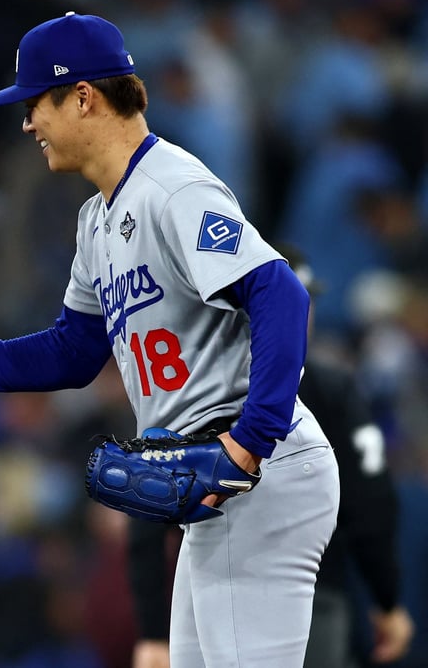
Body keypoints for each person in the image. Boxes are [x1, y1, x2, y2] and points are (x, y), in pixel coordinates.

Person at [0, 13, 340, 667]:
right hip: (216, 482)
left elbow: (281, 294)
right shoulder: (96, 220)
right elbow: (72, 351)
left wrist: (248, 444)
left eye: (36, 103)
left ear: (84, 96)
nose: (26, 122)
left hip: (260, 467)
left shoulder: (171, 185)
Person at [126, 246, 415, 668]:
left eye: (306, 299)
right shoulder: (331, 388)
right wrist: (387, 599)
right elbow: (370, 502)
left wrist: (155, 630)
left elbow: (371, 503)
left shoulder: (201, 388)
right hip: (297, 596)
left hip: (237, 590)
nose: (305, 313)